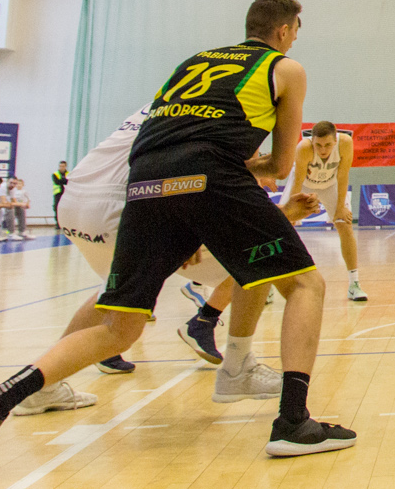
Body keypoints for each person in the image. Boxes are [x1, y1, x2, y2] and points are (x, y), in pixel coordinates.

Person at [0, 0, 357, 470]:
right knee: (305, 283)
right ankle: (292, 421)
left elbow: (166, 132)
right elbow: (281, 162)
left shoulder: (193, 62)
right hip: (208, 174)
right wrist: (241, 169)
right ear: (285, 31)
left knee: (118, 325)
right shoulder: (285, 68)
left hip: (144, 179)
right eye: (294, 33)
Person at [49, 102, 323, 389]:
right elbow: (211, 185)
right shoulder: (231, 109)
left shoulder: (166, 103)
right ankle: (218, 341)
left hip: (75, 201)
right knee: (259, 256)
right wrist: (186, 224)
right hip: (126, 205)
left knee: (113, 292)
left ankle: (45, 385)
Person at [285, 122, 367, 301]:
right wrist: (291, 211)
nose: (323, 150)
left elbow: (343, 175)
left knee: (345, 225)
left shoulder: (345, 143)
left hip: (331, 185)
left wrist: (340, 208)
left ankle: (354, 284)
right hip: (305, 184)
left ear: (335, 139)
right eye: (318, 145)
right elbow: (298, 179)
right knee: (282, 228)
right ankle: (268, 286)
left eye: (328, 145)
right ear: (311, 141)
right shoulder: (303, 148)